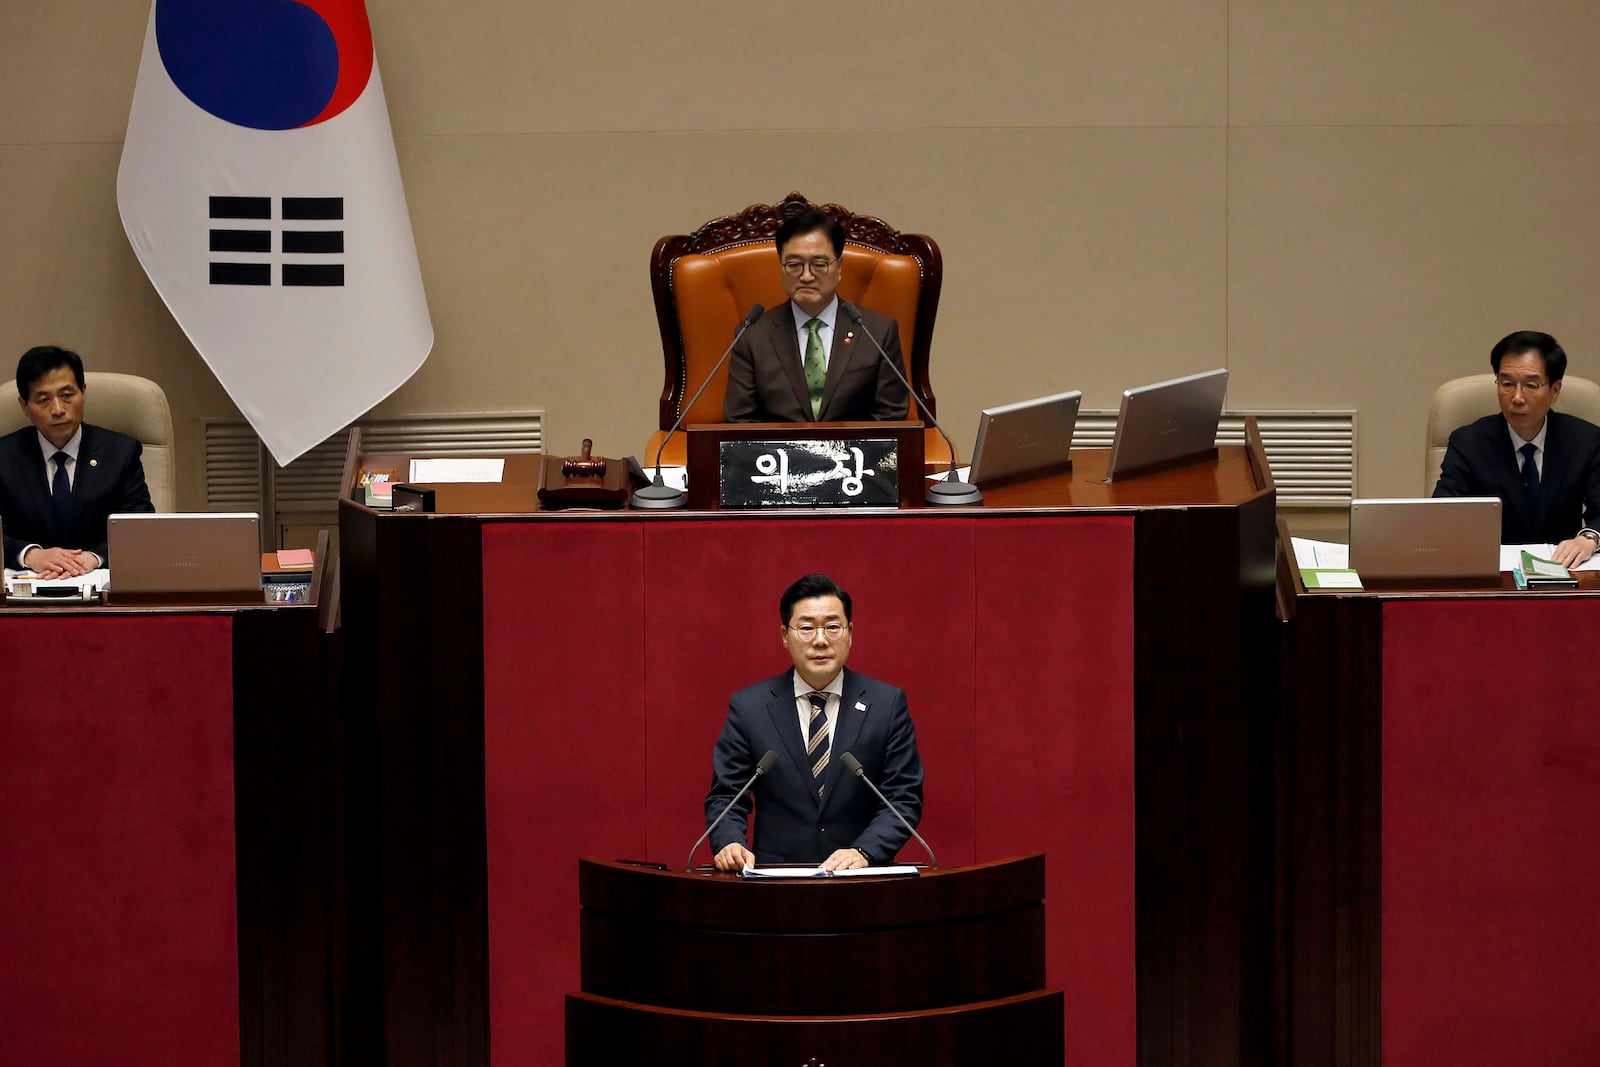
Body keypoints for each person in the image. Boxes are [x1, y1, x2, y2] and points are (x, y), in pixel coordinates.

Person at [705, 573, 924, 872]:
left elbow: (903, 797)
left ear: (850, 633)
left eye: (833, 627)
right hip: (776, 882)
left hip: (862, 879)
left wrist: (864, 851)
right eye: (806, 628)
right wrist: (729, 842)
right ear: (784, 635)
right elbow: (727, 795)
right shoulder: (750, 707)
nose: (820, 640)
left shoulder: (886, 705)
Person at [721, 209, 912, 423]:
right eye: (794, 265)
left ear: (839, 268)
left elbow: (892, 417)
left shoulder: (878, 331)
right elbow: (740, 421)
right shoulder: (752, 336)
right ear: (781, 268)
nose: (806, 276)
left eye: (819, 265)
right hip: (776, 455)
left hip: (855, 455)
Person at [1433, 330, 1600, 566]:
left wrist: (1588, 538)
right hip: (1491, 572)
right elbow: (1443, 514)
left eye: (1531, 385)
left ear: (1554, 390)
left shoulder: (1585, 441)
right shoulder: (1468, 442)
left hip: (1562, 572)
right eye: (1507, 384)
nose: (1517, 397)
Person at [1, 345, 154, 575]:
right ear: (24, 405)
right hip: (28, 587)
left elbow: (141, 529)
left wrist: (93, 557)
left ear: (83, 391)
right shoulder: (4, 457)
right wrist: (31, 555)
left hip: (98, 586)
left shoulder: (121, 452)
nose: (58, 409)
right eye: (43, 400)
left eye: (67, 395)